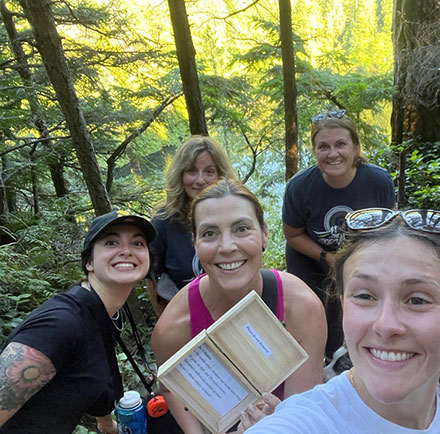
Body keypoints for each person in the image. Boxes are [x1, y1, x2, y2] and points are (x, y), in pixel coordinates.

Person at [244, 208, 440, 433]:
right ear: (344, 308)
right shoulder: (306, 423)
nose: (385, 325)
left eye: (417, 300)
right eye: (365, 296)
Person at [152, 178, 327, 434]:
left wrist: (276, 425)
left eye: (242, 229)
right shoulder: (175, 326)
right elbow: (171, 387)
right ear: (195, 244)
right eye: (209, 233)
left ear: (264, 234)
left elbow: (301, 410)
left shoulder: (300, 307)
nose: (227, 247)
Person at [0, 211, 156, 434]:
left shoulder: (101, 312)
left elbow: (95, 366)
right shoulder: (61, 323)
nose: (126, 251)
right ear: (89, 262)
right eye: (111, 242)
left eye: (137, 243)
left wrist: (106, 424)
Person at [282, 109, 395, 360]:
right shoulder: (299, 187)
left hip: (362, 256)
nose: (333, 154)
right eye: (324, 147)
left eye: (341, 144)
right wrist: (328, 257)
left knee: (353, 309)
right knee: (313, 314)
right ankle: (310, 360)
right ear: (314, 151)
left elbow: (389, 229)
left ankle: (358, 357)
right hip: (311, 257)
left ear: (355, 147)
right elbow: (293, 234)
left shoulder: (378, 181)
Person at [147, 135, 236, 316]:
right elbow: (152, 282)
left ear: (221, 175)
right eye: (191, 171)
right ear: (180, 175)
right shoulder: (161, 224)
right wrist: (167, 323)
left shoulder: (237, 214)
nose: (200, 180)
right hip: (188, 319)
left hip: (237, 311)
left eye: (209, 171)